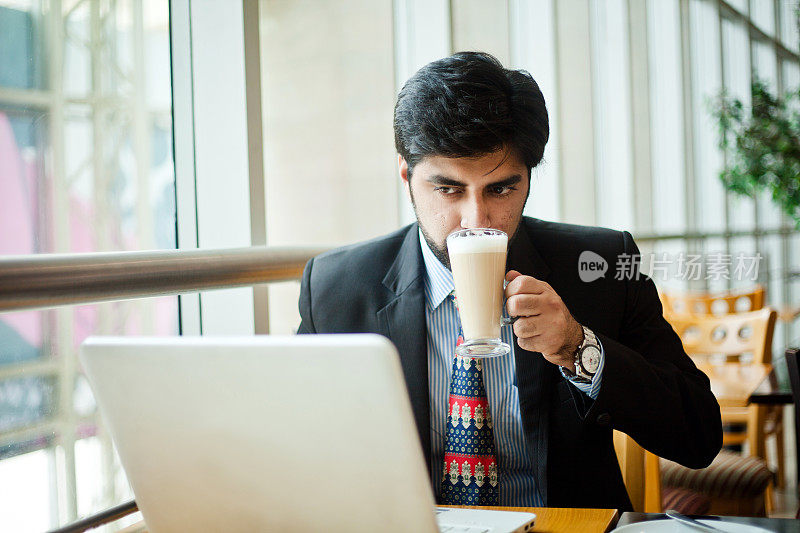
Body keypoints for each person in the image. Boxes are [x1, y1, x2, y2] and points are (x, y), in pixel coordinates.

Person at [297, 51, 721, 510]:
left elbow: (698, 436)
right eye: (448, 189)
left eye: (500, 189)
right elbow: (295, 447)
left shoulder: (599, 264)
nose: (476, 220)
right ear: (406, 177)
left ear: (529, 179)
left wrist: (579, 348)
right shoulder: (336, 288)